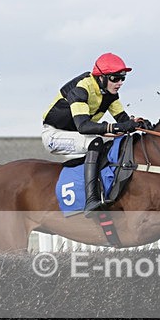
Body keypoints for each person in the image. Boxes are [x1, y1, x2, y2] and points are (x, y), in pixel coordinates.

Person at [41, 52, 150, 214]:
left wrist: (138, 124)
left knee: (116, 142)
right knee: (96, 141)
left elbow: (122, 120)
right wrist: (117, 127)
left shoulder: (109, 93)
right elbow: (83, 127)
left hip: (77, 134)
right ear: (101, 77)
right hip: (54, 135)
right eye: (115, 78)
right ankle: (91, 199)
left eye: (122, 78)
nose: (119, 83)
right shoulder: (81, 89)